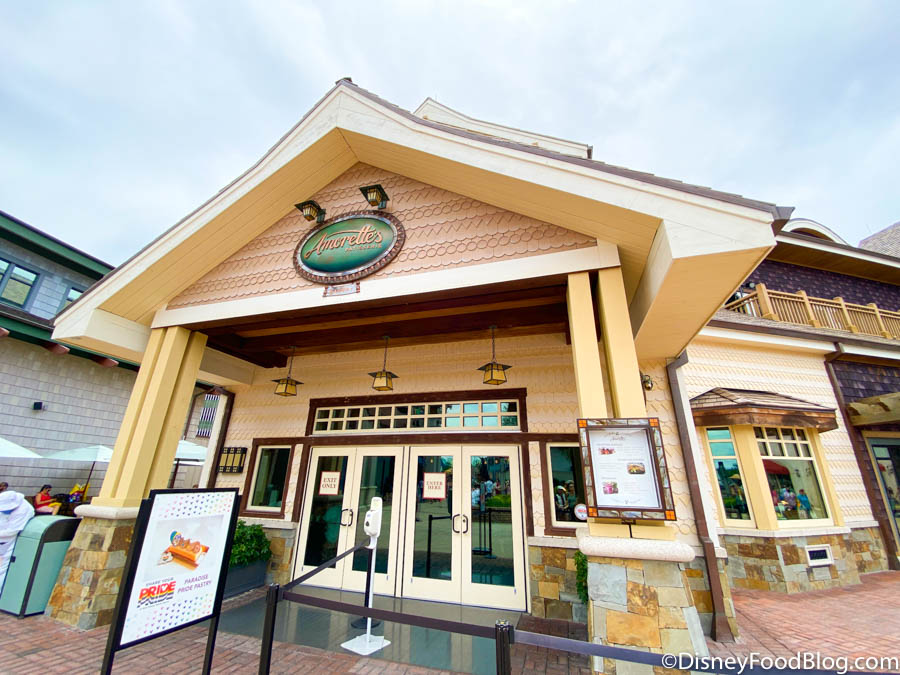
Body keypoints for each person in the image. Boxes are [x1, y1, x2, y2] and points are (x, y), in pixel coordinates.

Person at [0, 491, 34, 590]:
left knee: (1, 569)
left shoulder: (24, 510)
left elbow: (12, 531)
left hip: (6, 543)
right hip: (3, 535)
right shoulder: (4, 502)